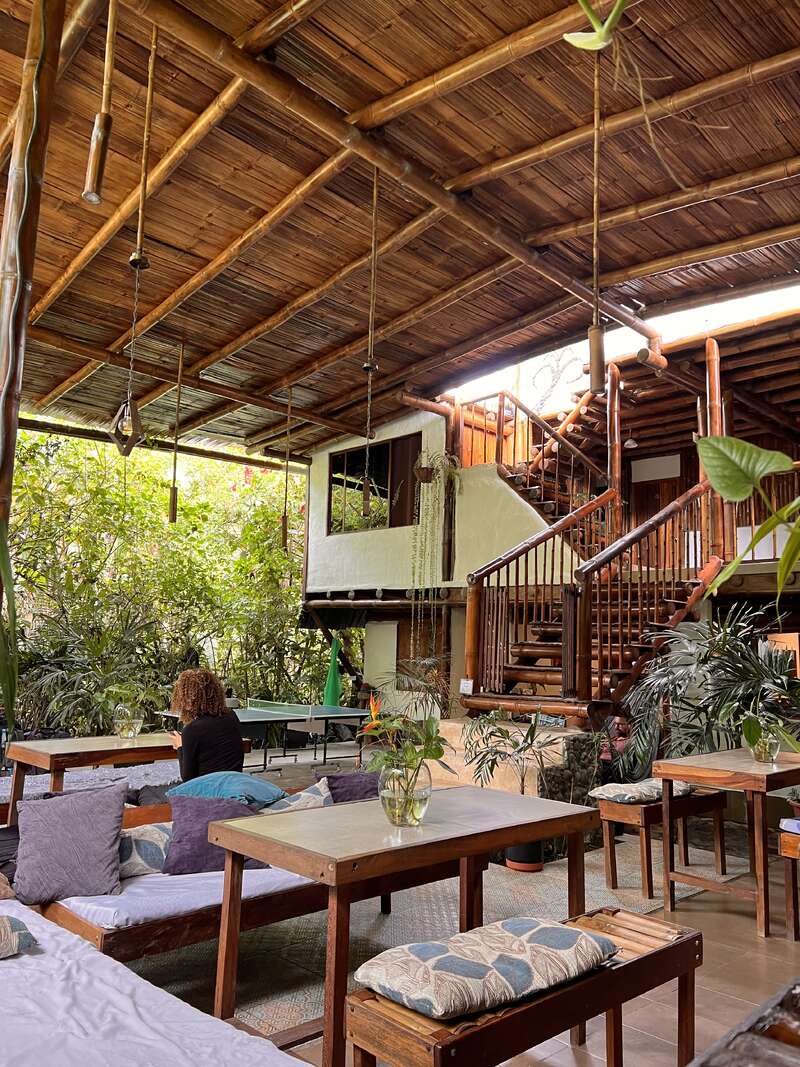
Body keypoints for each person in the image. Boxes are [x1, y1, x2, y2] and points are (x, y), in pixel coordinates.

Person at [169, 668, 244, 782]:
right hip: (233, 786)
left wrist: (180, 746)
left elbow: (188, 779)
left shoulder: (191, 730)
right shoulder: (231, 716)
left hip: (207, 792)